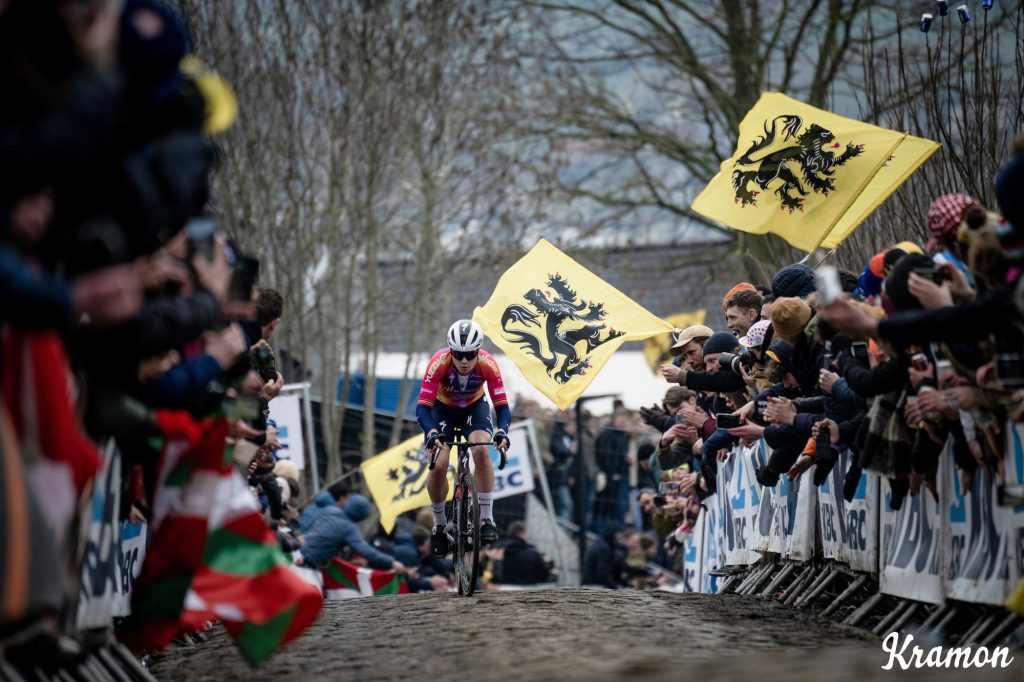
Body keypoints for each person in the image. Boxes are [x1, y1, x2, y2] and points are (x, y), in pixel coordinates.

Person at [416, 319, 511, 555]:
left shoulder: (488, 364)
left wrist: (502, 431)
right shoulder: (438, 363)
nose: (465, 361)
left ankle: (486, 519)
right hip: (442, 409)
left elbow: (502, 407)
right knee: (438, 465)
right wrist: (431, 432)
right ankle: (439, 525)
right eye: (459, 354)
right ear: (451, 351)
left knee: (480, 450)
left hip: (474, 408)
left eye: (471, 354)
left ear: (478, 351)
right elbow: (422, 408)